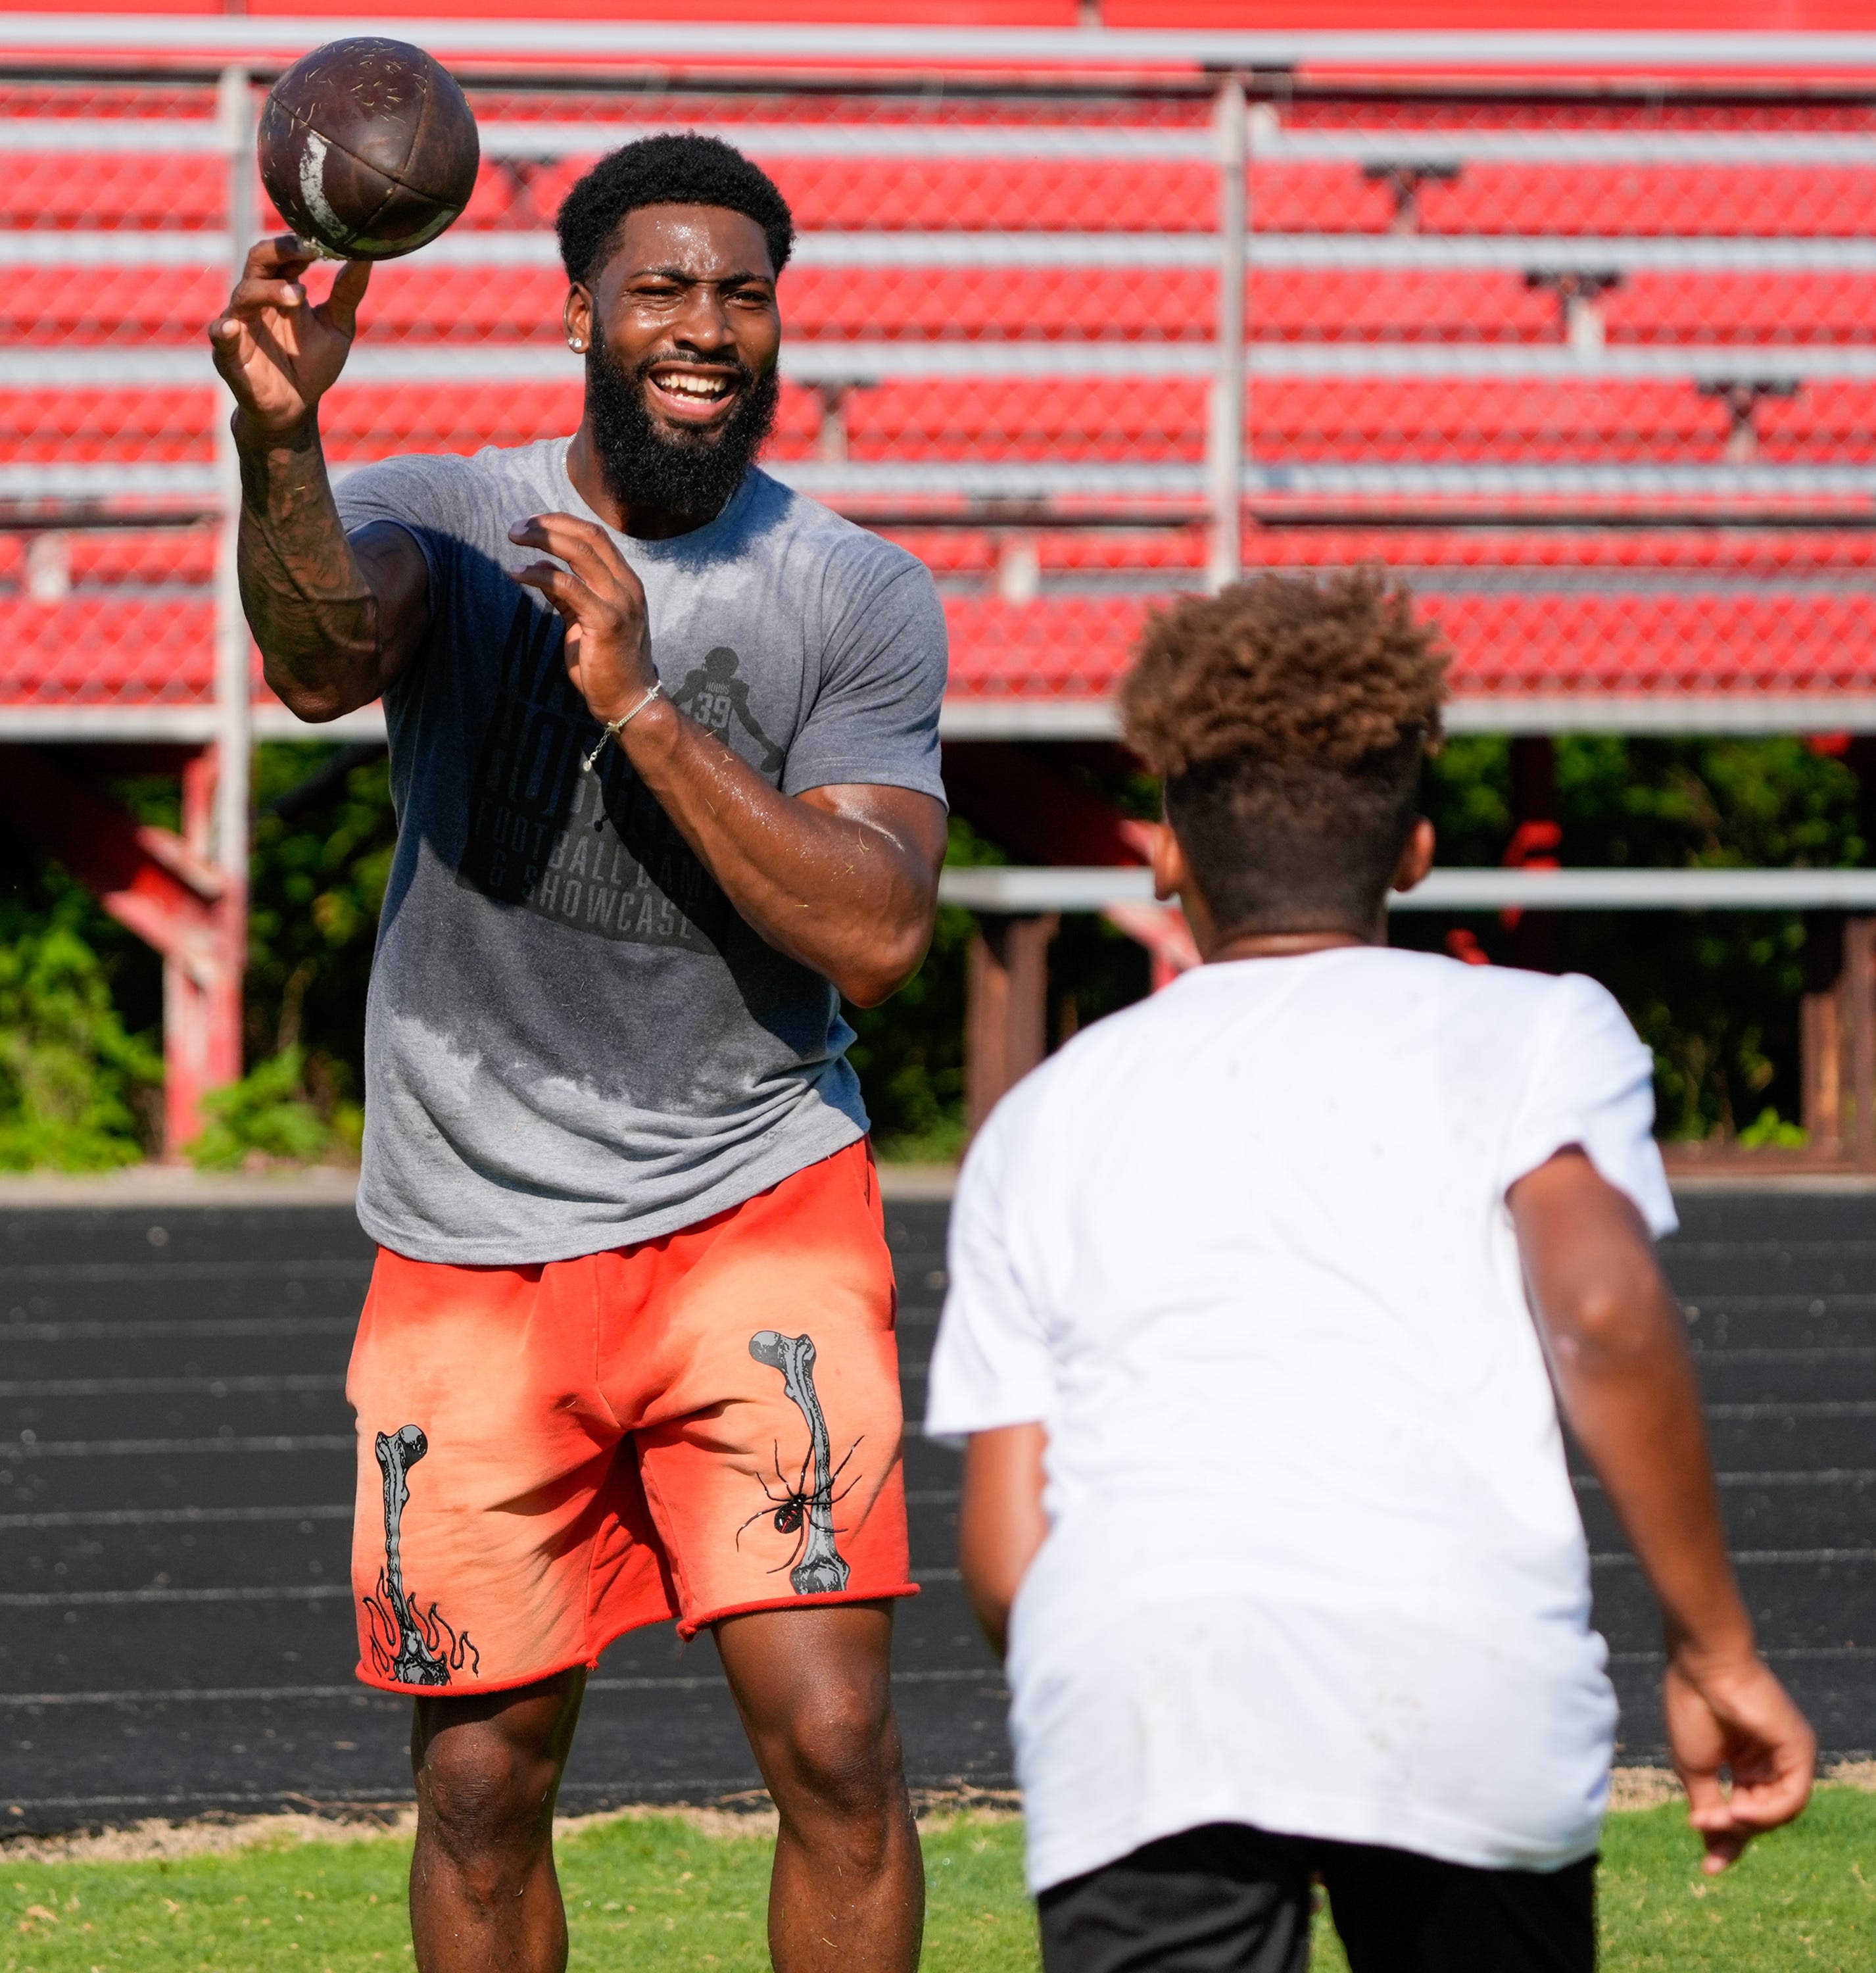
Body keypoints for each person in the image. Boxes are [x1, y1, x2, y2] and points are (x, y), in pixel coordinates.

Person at [208, 134, 945, 1973]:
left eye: (741, 292)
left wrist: (632, 700)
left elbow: (871, 927)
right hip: (469, 1230)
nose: (703, 326)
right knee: (477, 1786)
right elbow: (313, 661)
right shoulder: (454, 514)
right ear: (578, 317)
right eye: (661, 290)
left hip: (752, 1197)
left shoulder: (854, 592)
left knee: (841, 1748)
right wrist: (279, 435)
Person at [926, 570, 1815, 1973]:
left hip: (1143, 1689)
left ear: (1166, 851)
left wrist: (1101, 1682)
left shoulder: (1043, 1112)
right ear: (1410, 847)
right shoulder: (1537, 1031)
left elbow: (1001, 1553)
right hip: (1461, 1677)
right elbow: (1597, 1306)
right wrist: (1712, 1649)